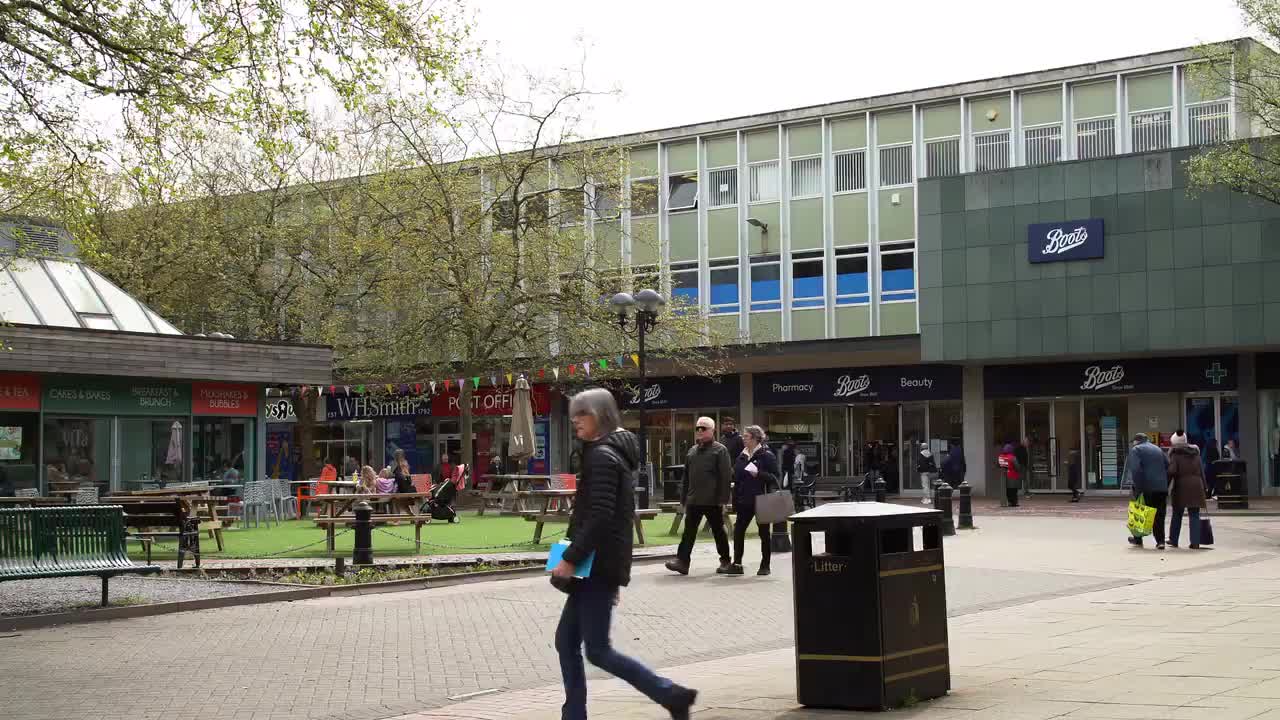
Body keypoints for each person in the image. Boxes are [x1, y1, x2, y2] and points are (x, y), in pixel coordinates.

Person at [553, 388, 697, 720]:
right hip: (596, 566)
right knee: (566, 642)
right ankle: (574, 713)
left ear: (600, 417)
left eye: (582, 414)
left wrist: (570, 558)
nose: (575, 420)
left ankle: (671, 694)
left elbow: (601, 516)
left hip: (594, 566)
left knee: (599, 651)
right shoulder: (604, 453)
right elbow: (608, 516)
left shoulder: (603, 457)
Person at [666, 416, 732, 576]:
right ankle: (683, 561)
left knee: (718, 531)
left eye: (704, 428)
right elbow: (686, 477)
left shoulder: (720, 450)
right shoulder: (692, 451)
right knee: (688, 532)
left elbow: (725, 476)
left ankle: (725, 560)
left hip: (712, 501)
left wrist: (723, 500)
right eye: (698, 428)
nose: (700, 431)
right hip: (693, 500)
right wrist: (683, 498)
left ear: (712, 431)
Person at [729, 425, 780, 576]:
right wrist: (735, 500)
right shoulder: (742, 456)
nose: (743, 438)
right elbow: (737, 478)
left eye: (746, 436)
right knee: (738, 531)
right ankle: (737, 563)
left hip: (762, 499)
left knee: (764, 533)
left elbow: (775, 478)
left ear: (755, 438)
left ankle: (765, 565)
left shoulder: (767, 455)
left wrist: (759, 474)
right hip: (744, 501)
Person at [1126, 433, 1170, 549]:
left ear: (1137, 441)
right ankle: (1160, 541)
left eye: (1133, 442)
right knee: (1159, 515)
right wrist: (1165, 483)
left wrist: (1138, 488)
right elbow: (1168, 466)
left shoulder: (1136, 450)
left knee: (1139, 512)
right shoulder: (1158, 449)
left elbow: (1136, 470)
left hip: (1146, 487)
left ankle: (1137, 539)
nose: (1133, 444)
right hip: (1161, 488)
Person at [1167, 432, 1208, 549]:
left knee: (1177, 514)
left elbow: (1172, 471)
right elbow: (1201, 471)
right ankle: (1195, 542)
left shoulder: (1175, 454)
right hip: (1196, 486)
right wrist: (1205, 487)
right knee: (1194, 514)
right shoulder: (1196, 453)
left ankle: (1173, 539)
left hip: (1181, 487)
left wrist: (1166, 484)